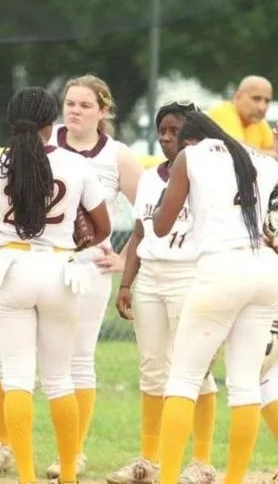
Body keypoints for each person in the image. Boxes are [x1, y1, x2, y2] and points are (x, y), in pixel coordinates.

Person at [0, 86, 111, 484]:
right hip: (61, 269)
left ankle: (25, 476)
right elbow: (103, 228)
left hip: (12, 266)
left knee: (18, 376)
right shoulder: (75, 165)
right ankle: (69, 473)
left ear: (11, 121)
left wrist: (6, 224)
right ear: (49, 123)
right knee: (59, 378)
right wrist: (72, 232)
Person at [152, 111, 278, 484]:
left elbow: (161, 226)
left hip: (221, 268)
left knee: (183, 378)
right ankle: (234, 479)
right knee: (244, 383)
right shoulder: (263, 159)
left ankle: (170, 477)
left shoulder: (191, 156)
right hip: (265, 269)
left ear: (189, 139)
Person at [106, 102, 218, 484]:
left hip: (190, 275)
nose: (167, 138)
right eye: (162, 131)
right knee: (153, 370)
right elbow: (139, 234)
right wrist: (125, 283)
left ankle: (201, 461)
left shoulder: (207, 178)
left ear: (193, 139)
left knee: (193, 370)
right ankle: (148, 461)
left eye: (175, 132)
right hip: (151, 277)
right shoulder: (153, 179)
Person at [43, 74, 143, 479]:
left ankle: (73, 452)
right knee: (31, 360)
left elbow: (148, 215)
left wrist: (122, 260)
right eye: (70, 103)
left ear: (104, 111)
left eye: (85, 104)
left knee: (79, 358)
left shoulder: (117, 155)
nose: (75, 110)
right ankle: (3, 444)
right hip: (47, 260)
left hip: (90, 265)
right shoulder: (46, 146)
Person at [208, 75, 276, 156]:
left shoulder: (258, 122)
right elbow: (239, 150)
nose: (262, 107)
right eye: (256, 99)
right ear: (238, 96)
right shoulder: (223, 111)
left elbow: (274, 151)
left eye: (267, 101)